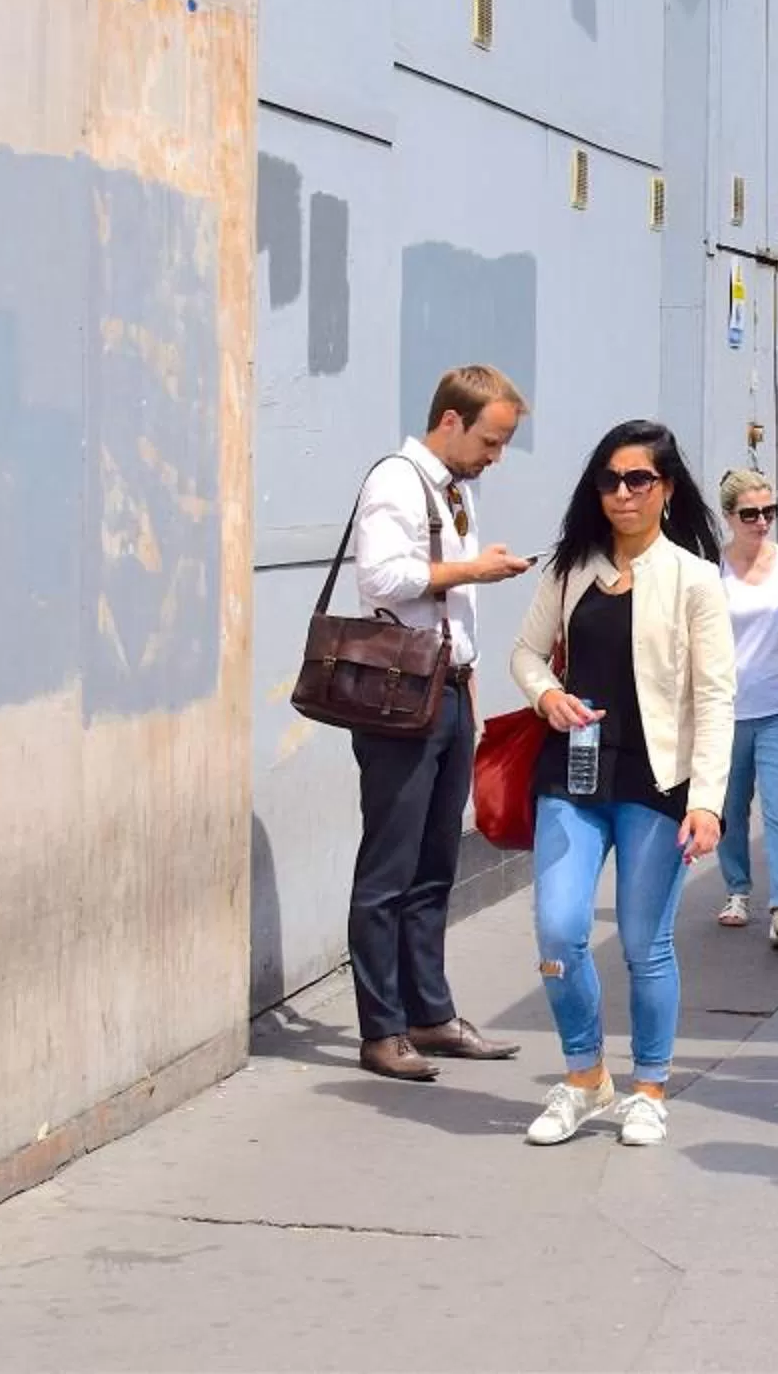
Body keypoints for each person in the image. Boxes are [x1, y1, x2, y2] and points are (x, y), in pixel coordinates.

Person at [508, 419, 734, 1149]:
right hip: (573, 773)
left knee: (644, 943)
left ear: (666, 489)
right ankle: (584, 1078)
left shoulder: (695, 578)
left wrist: (707, 801)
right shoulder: (571, 567)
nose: (622, 493)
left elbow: (716, 696)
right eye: (610, 480)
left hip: (657, 781)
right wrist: (546, 695)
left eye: (639, 479)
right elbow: (525, 652)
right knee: (559, 929)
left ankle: (649, 1088)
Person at [347, 364, 533, 1082]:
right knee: (389, 867)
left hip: (449, 690)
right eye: (490, 439)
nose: (497, 455)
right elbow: (383, 580)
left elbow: (450, 610)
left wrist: (473, 689)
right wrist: (473, 572)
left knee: (435, 864)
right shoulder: (396, 480)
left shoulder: (455, 490)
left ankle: (430, 1012)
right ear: (450, 422)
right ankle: (382, 1030)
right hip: (402, 695)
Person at [714, 468, 778, 950]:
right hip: (727, 711)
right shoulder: (712, 569)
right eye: (749, 513)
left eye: (769, 511)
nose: (761, 521)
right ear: (729, 517)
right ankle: (736, 889)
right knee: (729, 808)